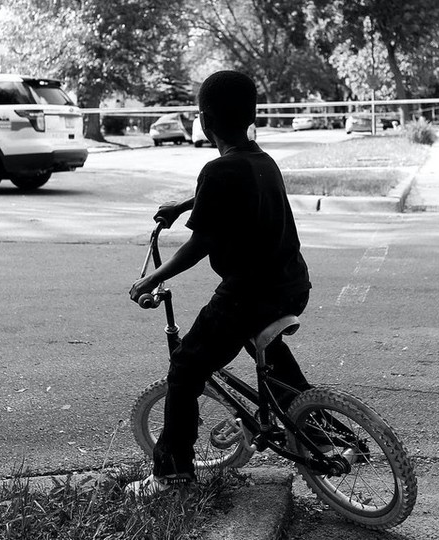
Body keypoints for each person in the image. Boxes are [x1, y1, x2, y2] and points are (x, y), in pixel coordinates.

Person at [126, 70, 312, 496]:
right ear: (250, 115)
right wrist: (184, 204)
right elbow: (227, 192)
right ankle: (312, 423)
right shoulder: (262, 159)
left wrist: (152, 278)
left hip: (247, 294)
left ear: (204, 121)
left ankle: (171, 475)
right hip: (291, 285)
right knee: (271, 352)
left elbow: (202, 243)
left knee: (186, 367)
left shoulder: (218, 170)